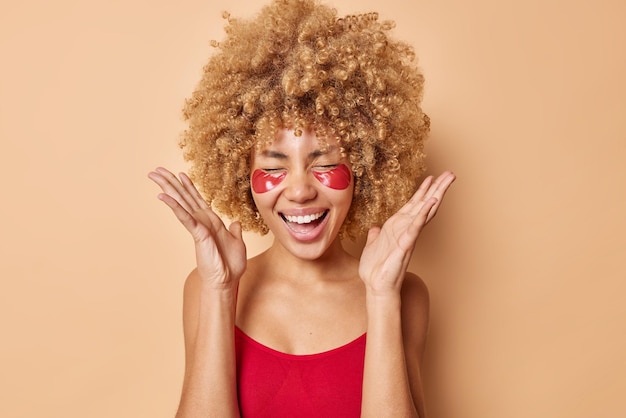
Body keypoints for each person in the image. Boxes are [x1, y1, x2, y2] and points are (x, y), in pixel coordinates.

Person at [148, 0, 455, 416]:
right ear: (242, 175)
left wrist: (382, 297)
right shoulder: (205, 287)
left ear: (364, 167)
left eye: (325, 164)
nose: (299, 191)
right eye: (274, 165)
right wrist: (220, 290)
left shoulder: (406, 294)